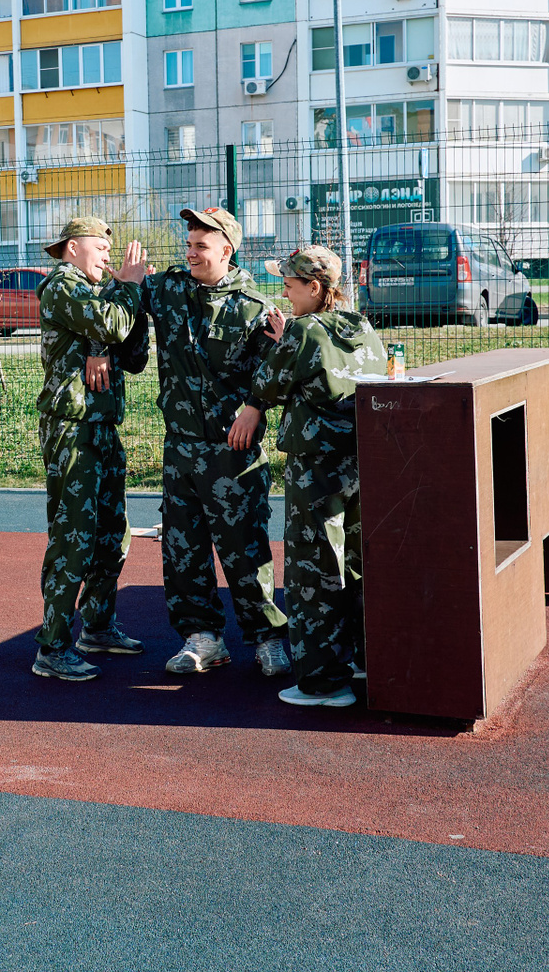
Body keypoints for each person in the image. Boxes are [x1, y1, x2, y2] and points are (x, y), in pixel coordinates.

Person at [229, 246, 386, 708]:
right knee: (355, 563)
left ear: (314, 288)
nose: (284, 295)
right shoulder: (361, 326)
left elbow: (269, 383)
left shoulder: (302, 330)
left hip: (315, 466)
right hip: (358, 462)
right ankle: (362, 657)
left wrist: (286, 342)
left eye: (290, 286)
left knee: (312, 568)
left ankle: (323, 682)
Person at [139, 207, 292, 677]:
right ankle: (202, 638)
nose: (190, 253)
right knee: (182, 551)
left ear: (226, 251)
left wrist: (256, 405)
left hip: (233, 453)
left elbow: (279, 371)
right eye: (188, 244)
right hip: (181, 449)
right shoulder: (167, 290)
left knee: (245, 551)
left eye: (200, 246)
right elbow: (115, 310)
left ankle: (267, 638)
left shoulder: (254, 308)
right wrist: (99, 347)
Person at [32, 216, 151, 680]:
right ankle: (52, 647)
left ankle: (98, 626)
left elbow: (134, 355)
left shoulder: (98, 292)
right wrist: (128, 288)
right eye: (100, 247)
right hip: (73, 428)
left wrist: (123, 306)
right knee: (74, 538)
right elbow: (111, 323)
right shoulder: (63, 285)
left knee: (112, 534)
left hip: (102, 426)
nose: (107, 256)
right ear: (73, 248)